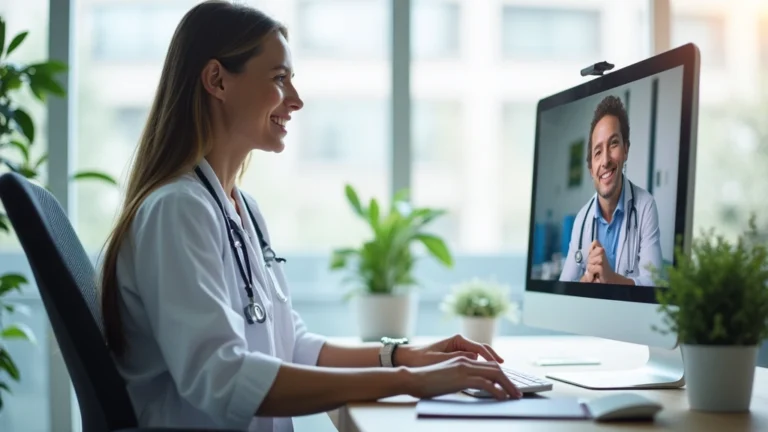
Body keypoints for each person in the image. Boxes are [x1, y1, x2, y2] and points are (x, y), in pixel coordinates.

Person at [97, 2, 521, 431]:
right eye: (279, 79)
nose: (295, 100)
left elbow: (291, 345)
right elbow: (222, 379)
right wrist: (408, 381)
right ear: (217, 80)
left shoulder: (240, 209)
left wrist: (403, 355)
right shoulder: (177, 210)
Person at [559, 95, 663, 286]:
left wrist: (610, 278)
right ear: (591, 169)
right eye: (597, 152)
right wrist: (586, 279)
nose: (605, 160)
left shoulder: (645, 206)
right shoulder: (582, 220)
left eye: (613, 143)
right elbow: (564, 286)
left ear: (626, 149)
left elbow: (654, 284)